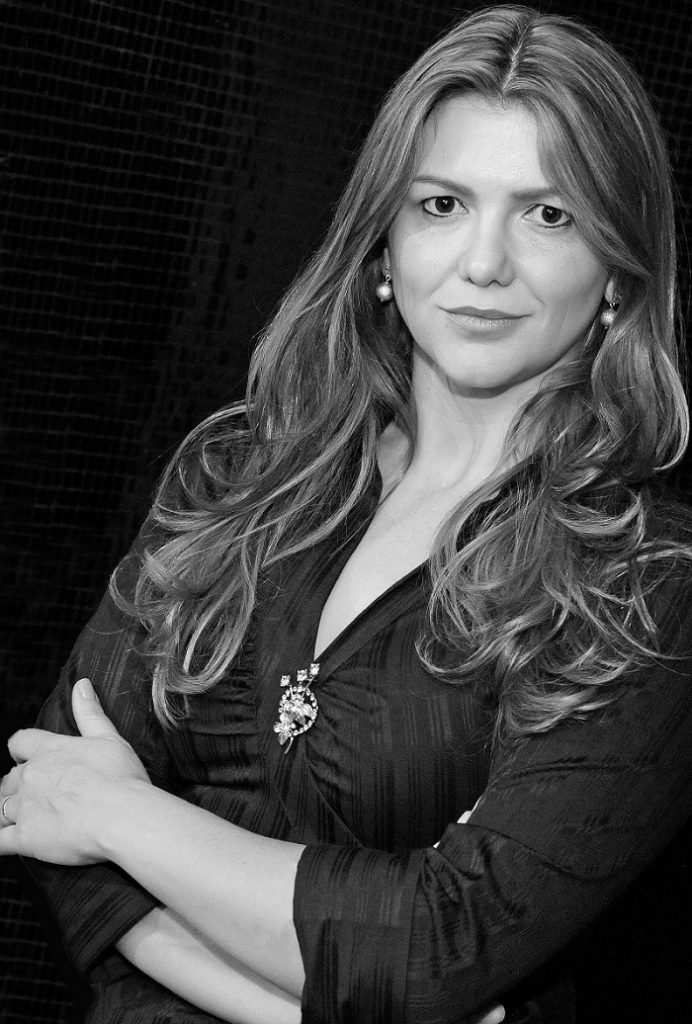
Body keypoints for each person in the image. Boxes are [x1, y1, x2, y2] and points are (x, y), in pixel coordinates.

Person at [1, 3, 691, 1022]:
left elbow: (437, 950)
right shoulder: (238, 473)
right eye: (442, 204)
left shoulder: (642, 585)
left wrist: (121, 816)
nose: (484, 263)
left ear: (617, 274)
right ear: (383, 245)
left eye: (548, 215)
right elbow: (43, 801)